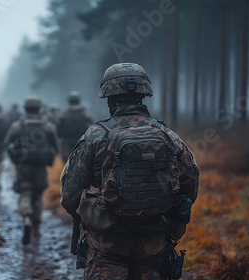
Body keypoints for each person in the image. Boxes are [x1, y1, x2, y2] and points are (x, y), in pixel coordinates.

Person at [60, 63, 199, 279]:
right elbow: (190, 189)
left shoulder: (95, 136)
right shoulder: (168, 136)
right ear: (144, 94)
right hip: (155, 249)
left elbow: (69, 197)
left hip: (106, 252)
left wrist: (97, 211)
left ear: (110, 98)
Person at [5, 96, 59, 245]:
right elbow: (56, 146)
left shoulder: (18, 126)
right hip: (41, 167)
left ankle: (26, 217)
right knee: (38, 194)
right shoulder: (47, 126)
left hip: (23, 166)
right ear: (39, 108)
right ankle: (36, 226)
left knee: (25, 192)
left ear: (25, 108)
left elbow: (7, 142)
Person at [57, 91, 93, 163]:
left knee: (67, 162)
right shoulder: (85, 113)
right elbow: (92, 126)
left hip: (67, 143)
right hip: (81, 141)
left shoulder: (64, 114)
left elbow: (58, 130)